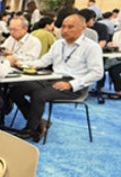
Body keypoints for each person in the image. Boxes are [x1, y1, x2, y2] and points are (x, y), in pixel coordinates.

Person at [7, 14, 103, 142]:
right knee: (15, 89)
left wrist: (72, 84)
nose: (65, 30)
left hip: (74, 84)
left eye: (70, 27)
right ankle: (39, 122)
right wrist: (22, 64)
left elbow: (97, 73)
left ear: (83, 28)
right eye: (63, 26)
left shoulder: (91, 47)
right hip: (52, 78)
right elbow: (43, 61)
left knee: (39, 95)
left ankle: (31, 129)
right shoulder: (58, 44)